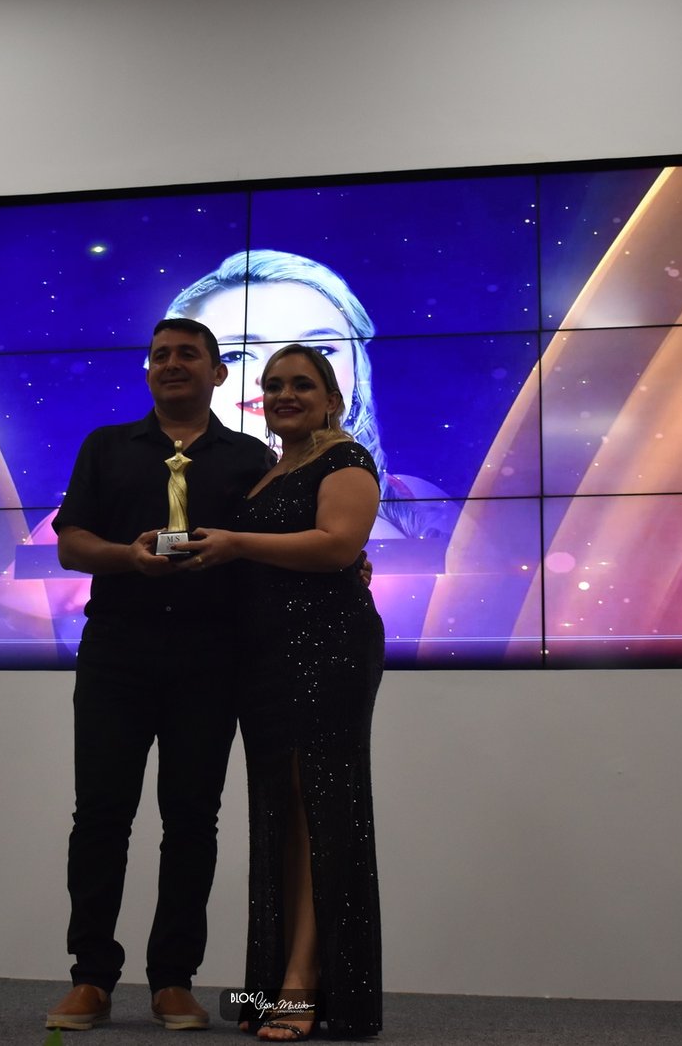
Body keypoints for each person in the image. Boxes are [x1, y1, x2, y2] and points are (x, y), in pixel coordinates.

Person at [45, 317, 275, 1032]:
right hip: (118, 651)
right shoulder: (106, 446)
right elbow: (71, 545)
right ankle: (91, 977)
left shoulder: (251, 457)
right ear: (148, 370)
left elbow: (270, 547)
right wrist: (128, 557)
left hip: (211, 657)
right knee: (101, 815)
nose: (171, 364)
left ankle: (173, 979)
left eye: (188, 354)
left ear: (218, 373)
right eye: (160, 355)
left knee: (192, 819)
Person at [176, 343, 385, 1040]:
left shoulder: (345, 459)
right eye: (273, 385)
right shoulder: (268, 472)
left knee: (319, 814)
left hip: (326, 650)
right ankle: (278, 984)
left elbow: (337, 545)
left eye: (302, 384)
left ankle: (302, 984)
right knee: (285, 818)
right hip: (264, 659)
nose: (285, 394)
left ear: (332, 400)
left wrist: (238, 544)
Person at [166, 249, 452, 540]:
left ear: (355, 367)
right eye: (238, 354)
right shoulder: (179, 481)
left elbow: (334, 548)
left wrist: (236, 545)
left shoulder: (417, 501)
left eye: (320, 350)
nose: (274, 374)